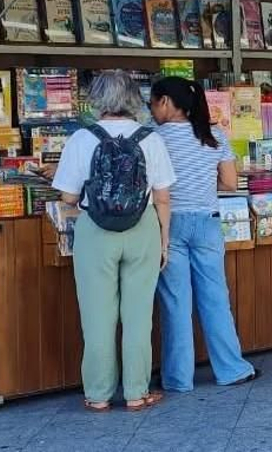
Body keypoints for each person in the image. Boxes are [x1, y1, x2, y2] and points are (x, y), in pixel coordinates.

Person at [51, 70, 175, 412]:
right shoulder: (150, 138)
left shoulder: (81, 139)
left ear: (96, 99)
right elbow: (163, 197)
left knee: (97, 317)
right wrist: (163, 240)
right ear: (134, 98)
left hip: (96, 231)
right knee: (138, 316)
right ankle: (137, 392)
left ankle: (98, 394)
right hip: (143, 229)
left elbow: (69, 197)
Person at [149, 76, 260, 392]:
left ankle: (177, 378)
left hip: (169, 223)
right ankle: (232, 368)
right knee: (215, 298)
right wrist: (200, 188)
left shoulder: (154, 137)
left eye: (153, 103)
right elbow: (229, 183)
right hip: (208, 222)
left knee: (175, 302)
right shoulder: (214, 135)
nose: (152, 110)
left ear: (166, 102)